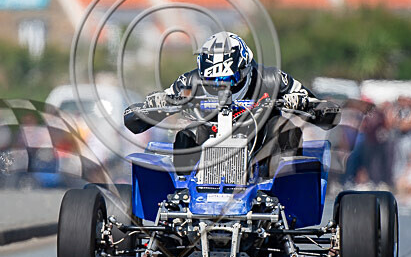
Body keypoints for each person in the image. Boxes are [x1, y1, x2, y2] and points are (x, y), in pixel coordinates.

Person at [128, 32, 328, 175]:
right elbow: (134, 120)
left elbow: (327, 114)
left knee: (285, 128)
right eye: (212, 79)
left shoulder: (272, 79)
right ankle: (183, 188)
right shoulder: (189, 81)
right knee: (187, 132)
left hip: (260, 144)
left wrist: (301, 103)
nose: (220, 85)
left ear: (245, 69)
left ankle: (281, 191)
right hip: (208, 137)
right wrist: (158, 103)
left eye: (226, 78)